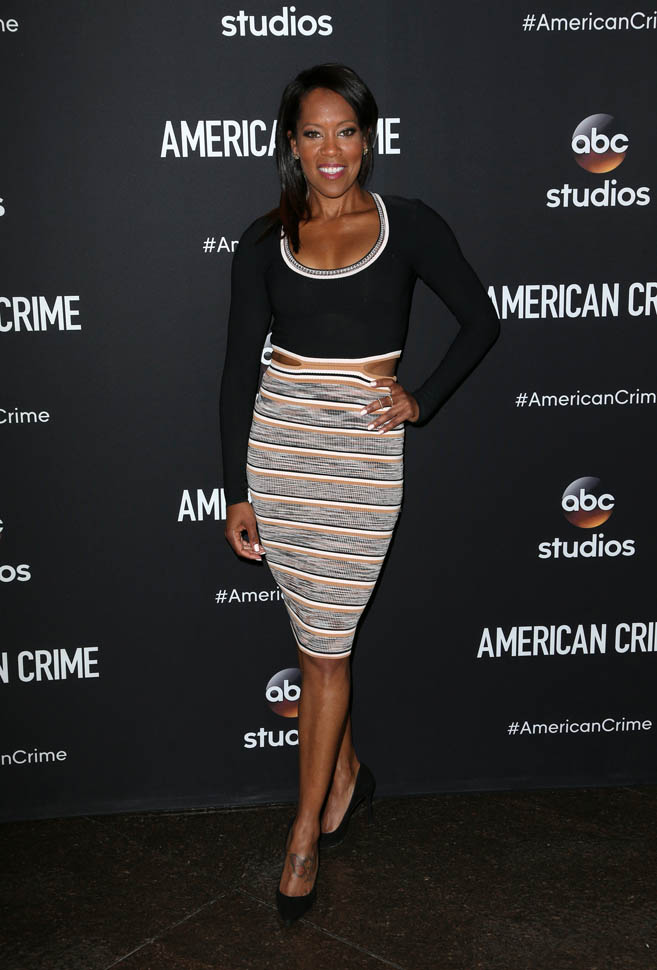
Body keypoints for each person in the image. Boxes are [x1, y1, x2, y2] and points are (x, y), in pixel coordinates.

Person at [219, 63, 500, 925]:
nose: (330, 149)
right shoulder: (262, 242)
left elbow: (481, 320)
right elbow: (235, 375)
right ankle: (342, 774)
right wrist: (236, 491)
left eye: (345, 130)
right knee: (316, 644)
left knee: (326, 650)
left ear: (367, 138)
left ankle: (303, 836)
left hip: (361, 462)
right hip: (281, 457)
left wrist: (422, 399)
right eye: (313, 133)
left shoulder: (407, 225)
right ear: (291, 145)